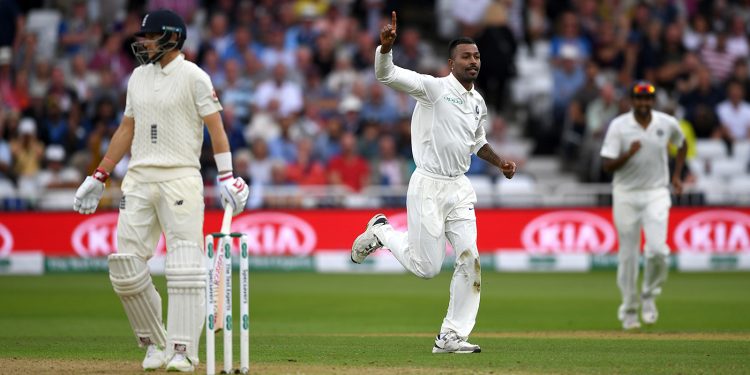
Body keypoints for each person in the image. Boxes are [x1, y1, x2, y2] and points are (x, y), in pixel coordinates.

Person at [72, 9, 249, 372]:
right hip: (138, 179)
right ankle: (155, 343)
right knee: (124, 267)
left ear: (171, 37)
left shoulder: (194, 76)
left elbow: (216, 128)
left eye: (150, 36)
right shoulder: (137, 77)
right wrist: (100, 174)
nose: (143, 42)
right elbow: (126, 129)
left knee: (184, 265)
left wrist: (227, 174)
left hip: (181, 177)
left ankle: (183, 350)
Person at [351, 12, 517, 354]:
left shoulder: (478, 102)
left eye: (477, 57)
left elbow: (477, 143)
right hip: (428, 183)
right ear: (451, 62)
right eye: (466, 57)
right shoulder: (433, 88)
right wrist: (385, 49)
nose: (473, 62)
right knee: (426, 269)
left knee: (470, 257)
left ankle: (451, 336)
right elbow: (387, 76)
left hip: (459, 188)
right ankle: (382, 232)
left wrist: (500, 162)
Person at [600, 81, 687, 330]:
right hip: (626, 193)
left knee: (658, 251)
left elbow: (682, 144)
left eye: (648, 99)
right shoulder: (619, 126)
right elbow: (606, 165)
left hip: (656, 192)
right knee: (628, 256)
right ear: (632, 101)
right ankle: (629, 309)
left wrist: (677, 176)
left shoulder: (666, 123)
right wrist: (628, 154)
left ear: (654, 101)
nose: (644, 103)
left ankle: (649, 294)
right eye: (639, 99)